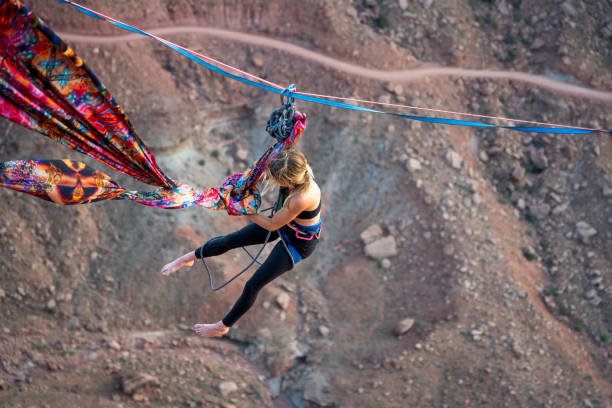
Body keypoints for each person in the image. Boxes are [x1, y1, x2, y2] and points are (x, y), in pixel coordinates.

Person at [161, 148, 321, 337]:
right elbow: (255, 175)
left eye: (274, 179)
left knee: (253, 285)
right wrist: (234, 187)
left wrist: (242, 209)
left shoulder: (300, 198)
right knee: (232, 240)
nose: (269, 180)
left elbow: (271, 225)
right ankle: (187, 259)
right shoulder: (290, 168)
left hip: (297, 243)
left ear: (286, 181)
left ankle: (223, 326)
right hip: (284, 222)